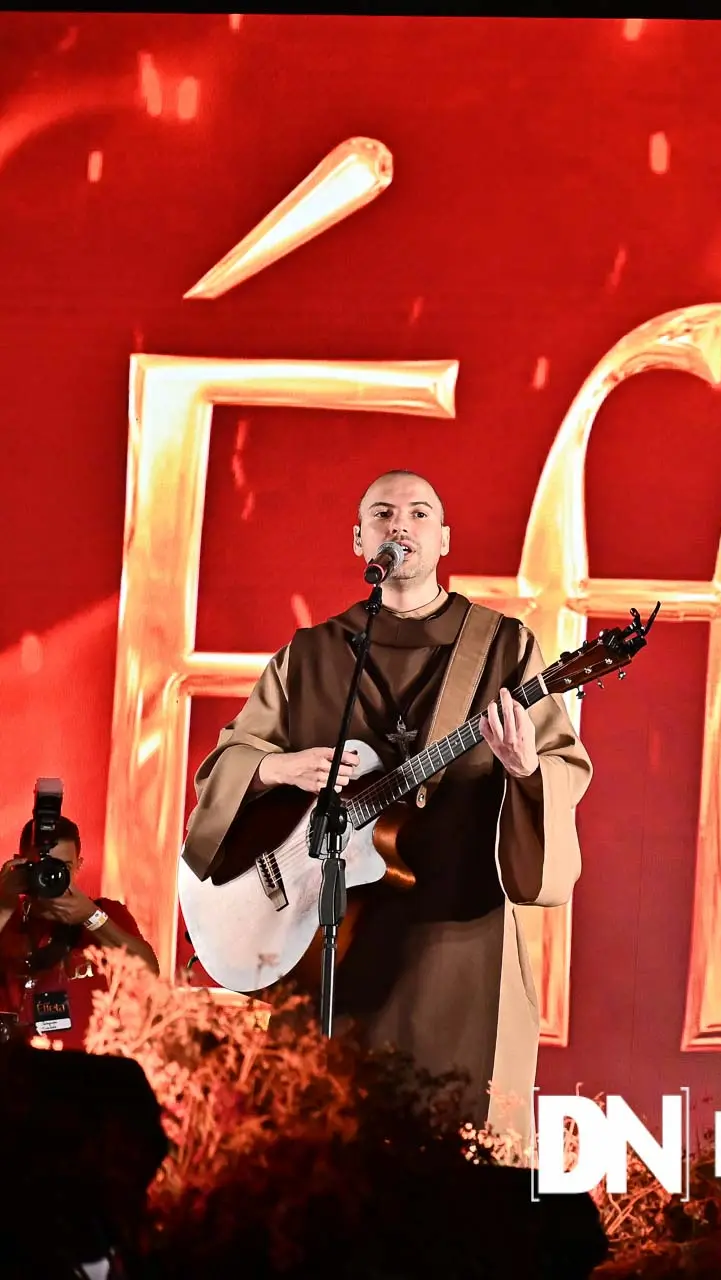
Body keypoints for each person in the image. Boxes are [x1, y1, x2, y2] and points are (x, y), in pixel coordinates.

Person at [179, 470, 592, 1145]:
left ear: (444, 539)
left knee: (454, 1145)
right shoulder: (310, 654)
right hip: (327, 941)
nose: (400, 525)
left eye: (419, 514)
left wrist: (526, 770)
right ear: (359, 539)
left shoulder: (503, 647)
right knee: (322, 1141)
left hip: (457, 937)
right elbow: (229, 762)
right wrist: (277, 767)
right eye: (383, 513)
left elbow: (561, 766)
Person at [0, 815, 158, 1049]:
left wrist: (91, 917)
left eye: (62, 868)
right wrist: (3, 907)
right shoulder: (8, 918)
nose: (51, 877)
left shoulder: (105, 913)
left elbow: (150, 974)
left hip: (88, 1064)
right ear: (20, 866)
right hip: (17, 1064)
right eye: (42, 866)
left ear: (78, 866)